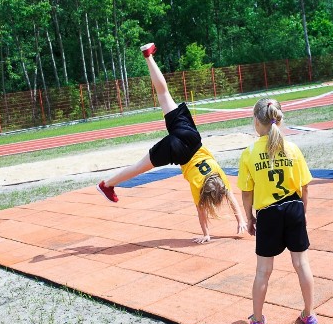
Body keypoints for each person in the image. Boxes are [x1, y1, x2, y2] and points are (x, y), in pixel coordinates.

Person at [96, 43, 246, 243]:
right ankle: (107, 185)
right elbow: (205, 208)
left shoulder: (219, 176)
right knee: (140, 167)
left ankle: (148, 56)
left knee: (164, 95)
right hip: (178, 151)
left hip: (192, 137)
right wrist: (207, 234)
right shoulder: (199, 186)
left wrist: (240, 218)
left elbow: (230, 195)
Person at [238, 98, 318, 324]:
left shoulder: (249, 153)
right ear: (279, 119)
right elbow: (305, 187)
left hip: (268, 214)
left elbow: (246, 193)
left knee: (263, 270)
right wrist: (302, 212)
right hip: (293, 208)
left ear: (256, 122)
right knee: (301, 264)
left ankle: (257, 320)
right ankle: (309, 313)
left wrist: (249, 218)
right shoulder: (292, 148)